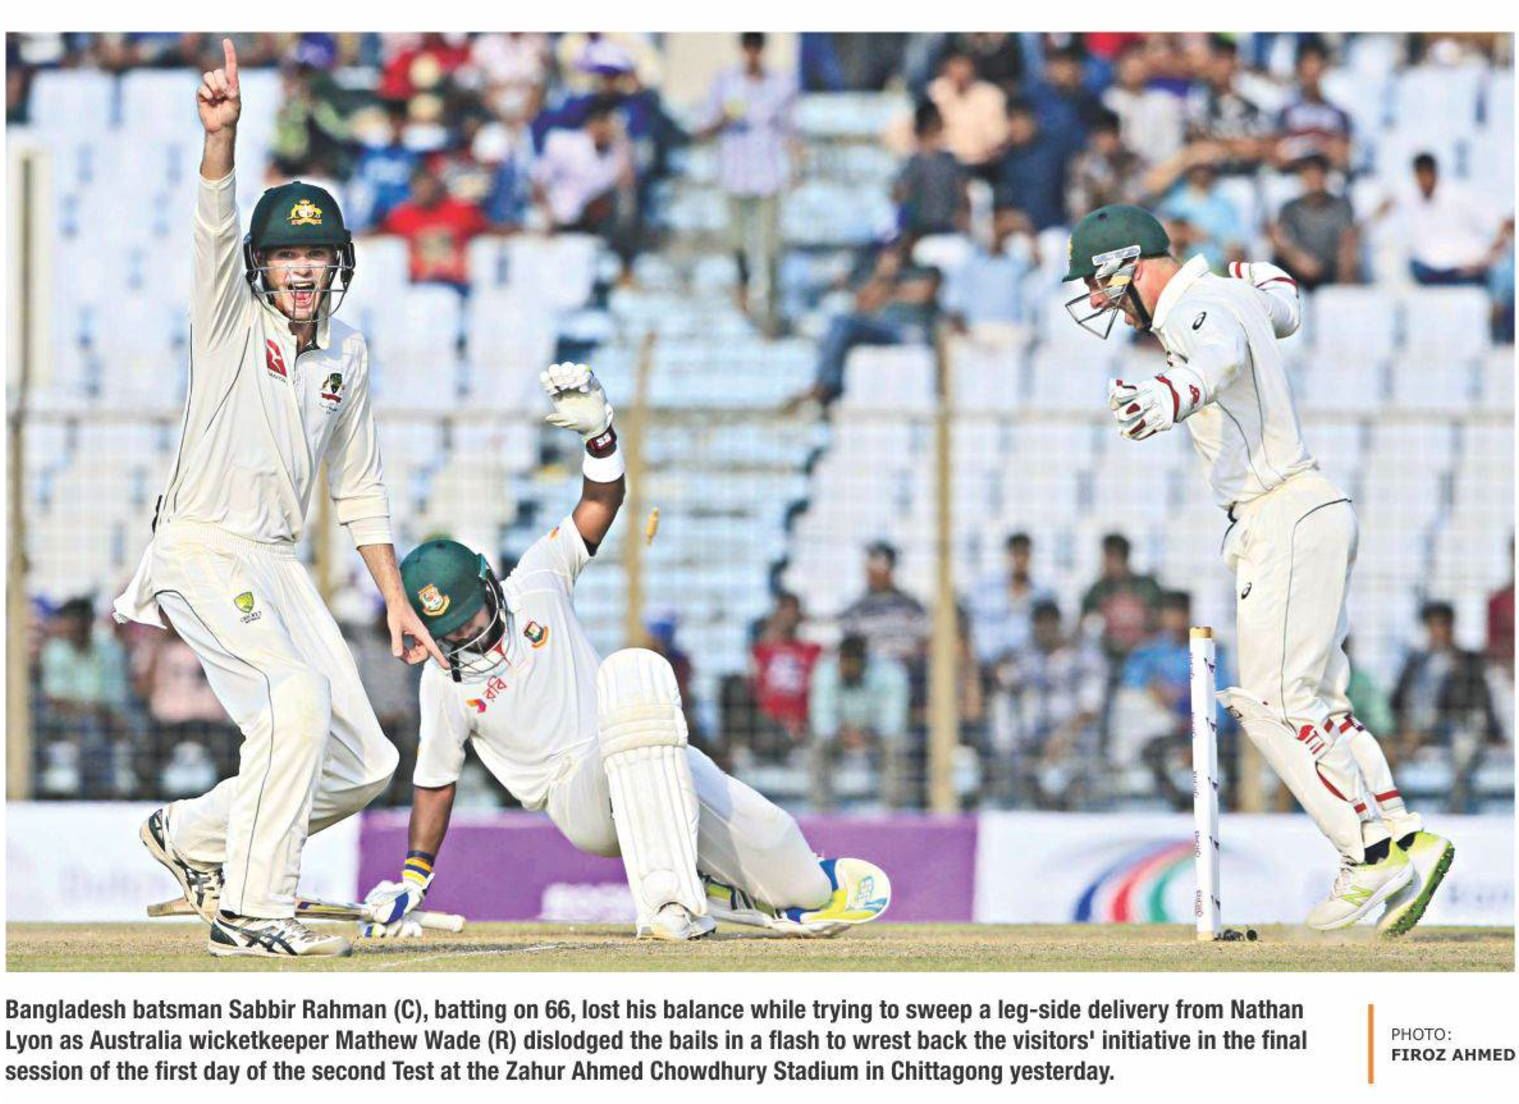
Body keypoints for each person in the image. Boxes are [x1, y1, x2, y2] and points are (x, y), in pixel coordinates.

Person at [113, 41, 448, 958]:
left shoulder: (349, 352)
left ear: (338, 264)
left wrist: (394, 597)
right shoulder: (228, 321)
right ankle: (252, 912)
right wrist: (220, 140)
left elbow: (360, 484)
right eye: (286, 255)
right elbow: (214, 227)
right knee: (292, 699)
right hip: (201, 547)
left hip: (276, 563)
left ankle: (191, 836)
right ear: (262, 267)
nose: (301, 270)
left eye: (316, 254)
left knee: (366, 761)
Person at [362, 364, 889, 942]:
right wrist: (413, 879)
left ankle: (729, 888)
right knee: (634, 672)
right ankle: (671, 904)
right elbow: (436, 781)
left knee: (787, 857)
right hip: (577, 794)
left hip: (645, 750)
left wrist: (600, 436)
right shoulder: (443, 681)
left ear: (490, 587)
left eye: (469, 618)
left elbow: (601, 500)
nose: (464, 637)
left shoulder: (536, 581)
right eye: (449, 631)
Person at [1063, 202, 1451, 934]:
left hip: (1279, 513)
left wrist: (1167, 393)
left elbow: (1217, 361)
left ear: (1128, 266)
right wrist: (1249, 272)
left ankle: (1367, 856)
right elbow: (1285, 303)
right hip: (1310, 507)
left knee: (1270, 702)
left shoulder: (1195, 310)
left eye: (1096, 282)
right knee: (1317, 699)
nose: (1096, 300)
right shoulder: (1230, 293)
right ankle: (1401, 836)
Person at [694, 32, 797, 331]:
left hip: (769, 175)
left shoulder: (780, 84)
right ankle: (742, 295)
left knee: (771, 247)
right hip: (735, 173)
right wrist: (724, 120)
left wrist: (797, 167)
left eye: (757, 48)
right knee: (737, 243)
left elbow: (792, 129)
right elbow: (703, 128)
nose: (753, 55)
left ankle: (772, 311)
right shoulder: (726, 82)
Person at [988, 599, 1106, 809]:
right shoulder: (1027, 657)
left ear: (1059, 623)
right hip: (1036, 743)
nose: (1045, 629)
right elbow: (1003, 678)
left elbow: (1090, 708)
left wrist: (1063, 737)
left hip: (1074, 742)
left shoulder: (1085, 657)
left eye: (1050, 622)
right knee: (1006, 703)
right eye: (1040, 623)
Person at [1392, 602, 1502, 812]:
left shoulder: (1467, 660)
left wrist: (1495, 732)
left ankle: (1456, 806)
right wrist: (1402, 726)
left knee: (1464, 743)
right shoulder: (1416, 661)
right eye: (1432, 625)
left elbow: (1481, 699)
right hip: (1413, 728)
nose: (1437, 631)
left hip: (1452, 725)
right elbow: (1397, 700)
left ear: (1451, 626)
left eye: (1442, 625)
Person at [807, 633, 911, 808]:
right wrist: (844, 734)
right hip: (840, 733)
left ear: (864, 661)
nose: (847, 668)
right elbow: (822, 720)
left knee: (896, 745)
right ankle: (822, 806)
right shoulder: (825, 672)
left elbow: (893, 721)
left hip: (875, 732)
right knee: (818, 745)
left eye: (853, 664)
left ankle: (894, 806)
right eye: (844, 663)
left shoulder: (891, 673)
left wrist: (868, 735)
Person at [380, 166, 492, 291]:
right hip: (419, 284)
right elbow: (382, 237)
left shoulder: (463, 211)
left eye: (428, 187)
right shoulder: (401, 216)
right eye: (420, 187)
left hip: (455, 283)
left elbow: (488, 232)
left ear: (438, 187)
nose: (424, 192)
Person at [1269, 153, 1359, 290]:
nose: (1314, 180)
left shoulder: (1342, 207)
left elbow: (1347, 243)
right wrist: (1298, 260)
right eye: (1308, 176)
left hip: (1328, 273)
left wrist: (1345, 280)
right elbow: (1279, 240)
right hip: (1295, 272)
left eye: (1318, 175)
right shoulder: (1290, 208)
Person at [749, 592, 823, 756]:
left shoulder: (812, 650)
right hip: (768, 721)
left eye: (792, 611)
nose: (788, 616)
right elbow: (755, 687)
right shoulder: (761, 651)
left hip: (803, 720)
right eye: (784, 610)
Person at [1079, 532, 1161, 665]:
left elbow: (1161, 621)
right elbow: (1083, 625)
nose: (1103, 563)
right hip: (1108, 660)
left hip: (1144, 658)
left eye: (1107, 557)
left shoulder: (1147, 587)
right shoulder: (1098, 591)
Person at [892, 101, 969, 242]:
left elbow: (963, 199)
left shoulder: (949, 162)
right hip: (921, 235)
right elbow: (900, 199)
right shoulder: (913, 165)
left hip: (946, 233)